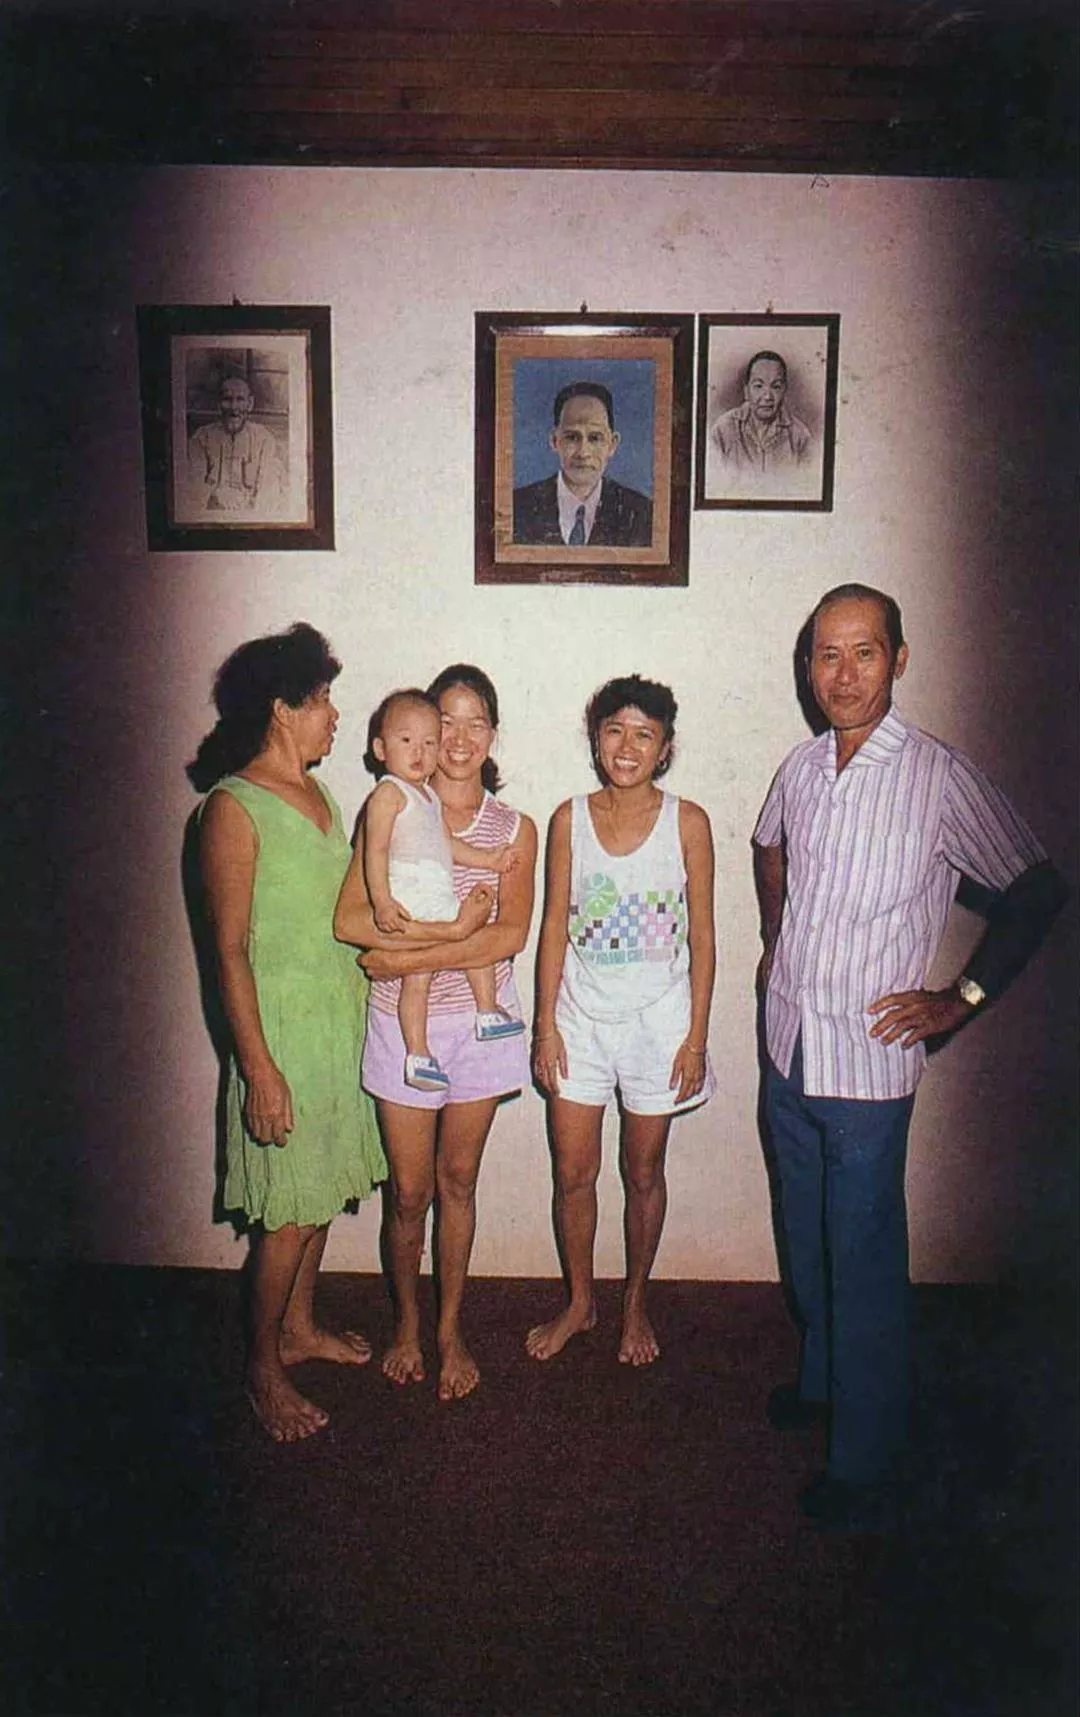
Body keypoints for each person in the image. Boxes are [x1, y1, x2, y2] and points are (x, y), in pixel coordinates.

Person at [753, 584, 1066, 1529]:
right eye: (827, 654)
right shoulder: (801, 766)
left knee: (862, 1261)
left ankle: (865, 1461)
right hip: (787, 1043)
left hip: (867, 1064)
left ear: (899, 658)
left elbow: (1038, 887)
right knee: (806, 1238)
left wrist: (957, 999)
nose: (844, 674)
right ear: (807, 666)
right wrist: (774, 939)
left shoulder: (938, 775)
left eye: (864, 652)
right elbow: (768, 845)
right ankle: (823, 1379)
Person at [191, 622, 387, 1443]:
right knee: (288, 1213)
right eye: (323, 699)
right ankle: (262, 1365)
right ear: (282, 708)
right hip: (281, 1034)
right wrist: (260, 1069)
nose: (336, 715)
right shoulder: (231, 809)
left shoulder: (323, 795)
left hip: (338, 1019)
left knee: (320, 1190)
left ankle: (300, 1328)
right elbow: (230, 952)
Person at [335, 664, 537, 1400]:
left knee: (459, 1183)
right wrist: (447, 940)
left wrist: (405, 955)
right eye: (444, 720)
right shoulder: (392, 808)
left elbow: (509, 935)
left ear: (492, 735)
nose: (457, 737)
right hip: (403, 1026)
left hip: (480, 1030)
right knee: (409, 1193)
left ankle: (449, 1330)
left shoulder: (515, 829)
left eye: (475, 721)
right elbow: (349, 919)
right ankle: (406, 1324)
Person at [527, 675, 716, 1367]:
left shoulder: (688, 822)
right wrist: (545, 1026)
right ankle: (581, 1301)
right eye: (615, 730)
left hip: (659, 1027)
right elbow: (553, 928)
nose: (627, 746)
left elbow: (704, 938)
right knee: (573, 1172)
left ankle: (635, 1301)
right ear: (596, 738)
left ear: (664, 747)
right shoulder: (568, 819)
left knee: (643, 1170)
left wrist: (696, 1038)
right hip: (579, 1020)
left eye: (644, 734)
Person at [362, 686, 525, 1092]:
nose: (419, 752)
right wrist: (383, 902)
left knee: (474, 938)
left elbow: (447, 843)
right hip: (411, 896)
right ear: (381, 748)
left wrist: (489, 860)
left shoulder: (428, 801)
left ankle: (487, 1011)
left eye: (427, 742)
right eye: (448, 723)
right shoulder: (389, 794)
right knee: (421, 978)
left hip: (437, 897)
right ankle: (417, 1054)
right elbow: (374, 854)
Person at [513, 381, 653, 547]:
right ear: (554, 440)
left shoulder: (643, 514)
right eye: (572, 437)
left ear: (612, 444)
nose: (583, 452)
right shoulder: (516, 507)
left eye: (595, 438)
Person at [711, 351, 812, 487]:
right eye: (758, 386)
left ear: (784, 391)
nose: (767, 396)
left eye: (776, 387)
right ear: (746, 391)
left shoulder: (800, 437)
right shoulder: (722, 430)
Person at [188, 373, 284, 514]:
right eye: (227, 399)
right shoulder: (202, 438)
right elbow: (193, 484)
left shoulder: (263, 439)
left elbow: (270, 488)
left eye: (240, 399)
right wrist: (215, 496)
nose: (233, 407)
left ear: (250, 404)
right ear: (218, 404)